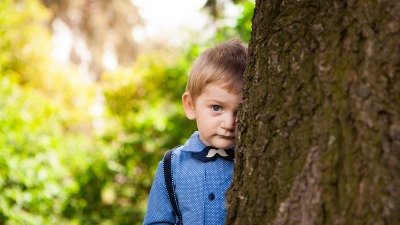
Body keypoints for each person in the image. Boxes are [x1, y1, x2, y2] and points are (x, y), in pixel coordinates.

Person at [143, 39, 248, 225]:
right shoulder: (172, 165)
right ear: (191, 105)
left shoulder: (252, 160)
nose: (230, 123)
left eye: (240, 111)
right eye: (217, 108)